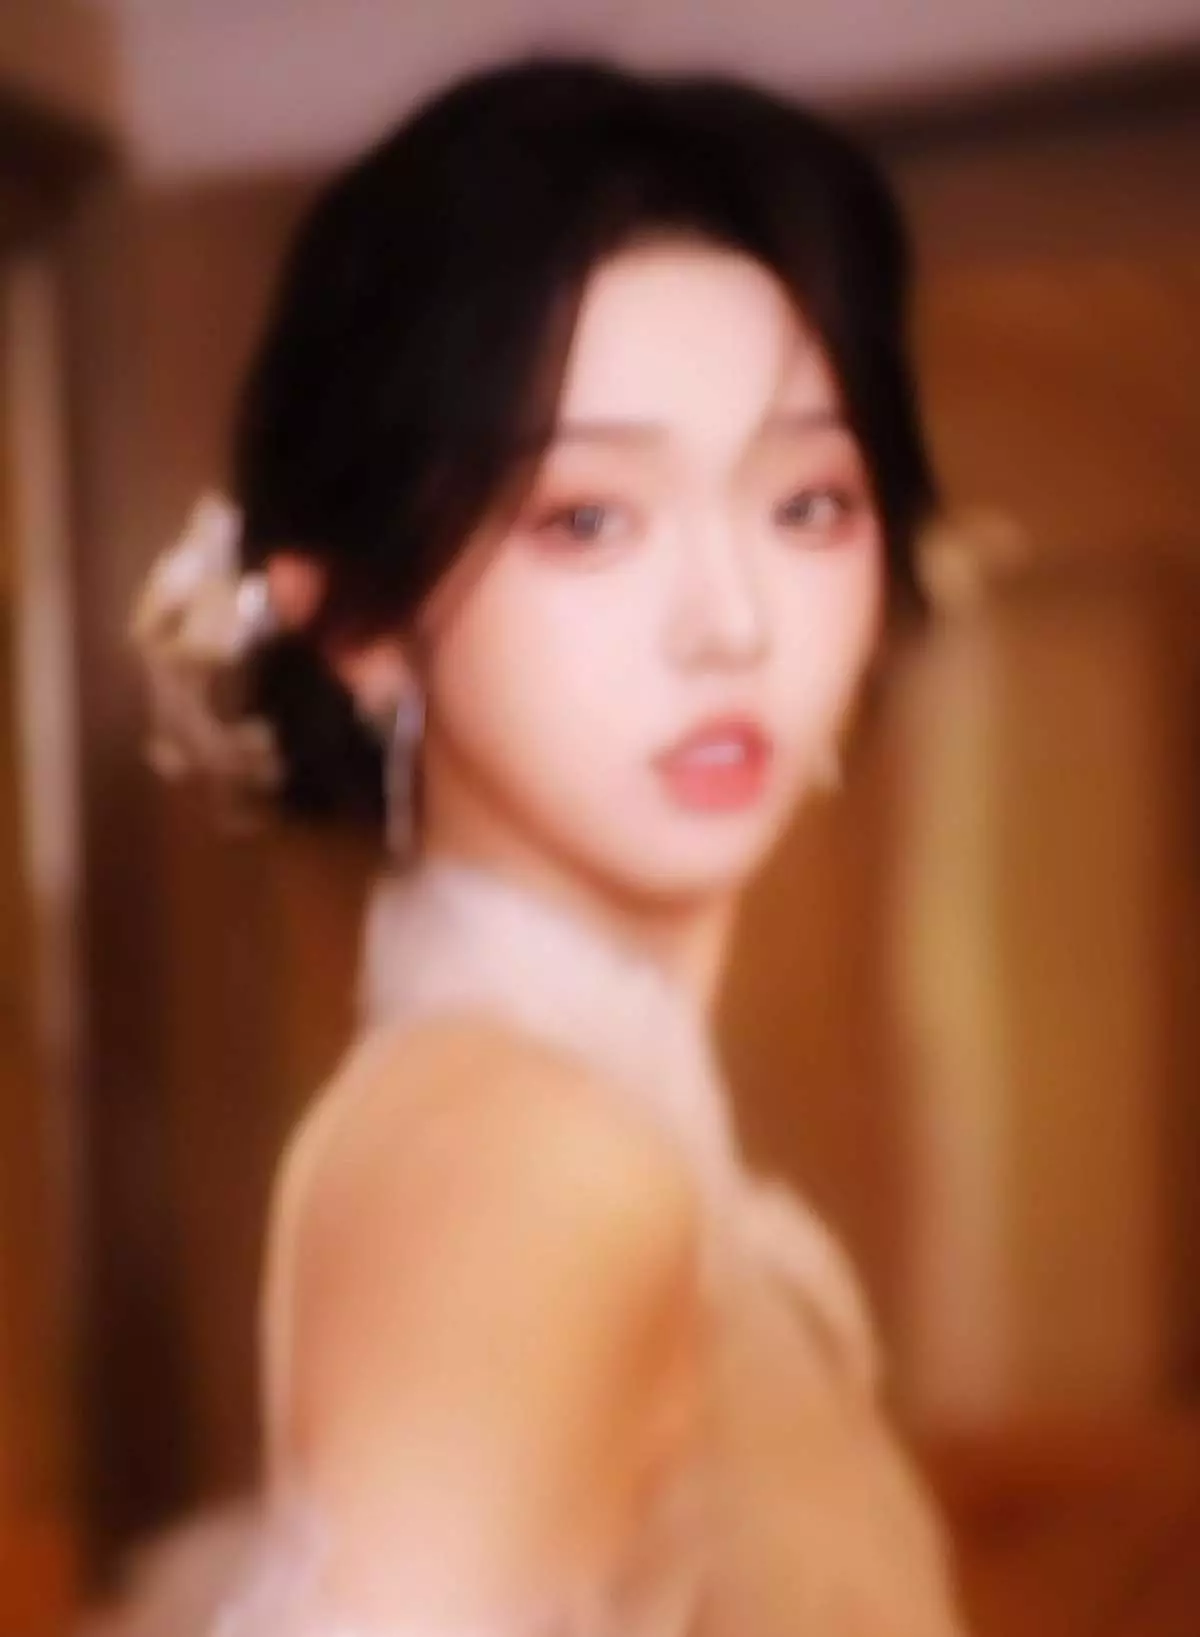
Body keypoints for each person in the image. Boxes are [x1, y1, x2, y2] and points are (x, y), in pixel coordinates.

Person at [94, 55, 967, 1636]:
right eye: (587, 517)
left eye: (807, 502)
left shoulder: (548, 1119)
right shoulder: (539, 1166)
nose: (730, 620)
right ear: (358, 624)